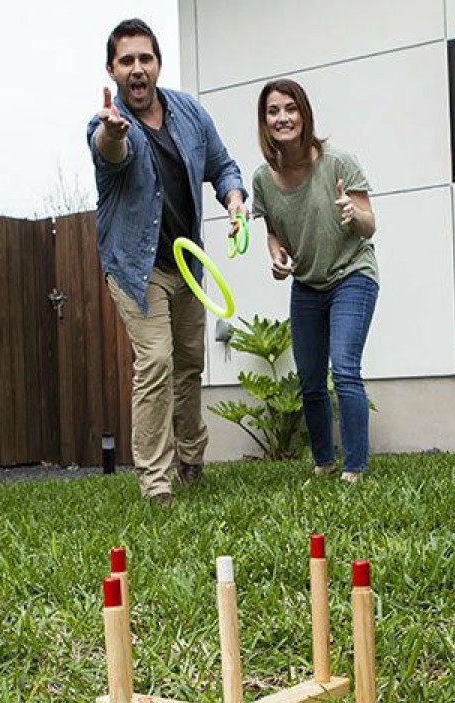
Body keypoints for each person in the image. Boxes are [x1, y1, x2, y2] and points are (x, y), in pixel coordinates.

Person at [87, 18, 248, 507]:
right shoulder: (106, 123)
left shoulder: (188, 113)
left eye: (145, 59)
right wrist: (114, 133)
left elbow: (222, 166)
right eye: (126, 61)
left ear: (157, 64)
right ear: (112, 69)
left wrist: (235, 199)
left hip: (188, 269)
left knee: (187, 366)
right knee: (155, 361)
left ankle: (191, 459)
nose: (137, 69)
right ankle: (156, 485)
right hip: (137, 269)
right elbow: (109, 152)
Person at [251, 79, 378, 483]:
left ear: (304, 115)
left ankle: (354, 467)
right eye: (273, 111)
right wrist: (275, 254)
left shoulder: (338, 162)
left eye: (290, 108)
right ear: (264, 121)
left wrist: (351, 213)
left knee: (343, 369)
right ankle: (323, 463)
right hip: (307, 282)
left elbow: (369, 225)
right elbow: (274, 231)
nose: (282, 117)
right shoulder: (263, 179)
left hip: (351, 274)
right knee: (309, 381)